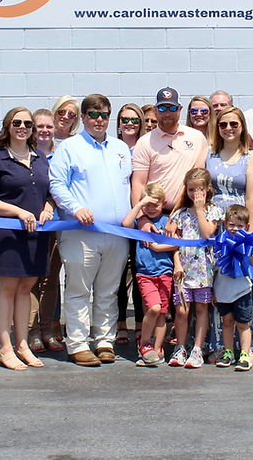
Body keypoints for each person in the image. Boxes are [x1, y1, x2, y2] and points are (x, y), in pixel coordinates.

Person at [49, 94, 132, 367]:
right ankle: (78, 343)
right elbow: (57, 184)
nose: (99, 120)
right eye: (94, 115)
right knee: (78, 290)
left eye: (105, 115)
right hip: (80, 233)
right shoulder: (69, 148)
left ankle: (105, 341)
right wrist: (75, 208)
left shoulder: (120, 148)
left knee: (108, 290)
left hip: (117, 233)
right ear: (83, 117)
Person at [0, 107, 55, 370]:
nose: (22, 127)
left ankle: (22, 345)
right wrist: (18, 212)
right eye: (17, 122)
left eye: (27, 123)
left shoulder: (40, 158)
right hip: (7, 236)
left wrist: (48, 208)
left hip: (36, 236)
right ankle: (5, 347)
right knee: (7, 290)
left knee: (25, 290)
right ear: (8, 126)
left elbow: (48, 192)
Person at [207, 106, 253, 357]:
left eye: (234, 124)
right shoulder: (210, 155)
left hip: (241, 225)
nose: (228, 129)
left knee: (243, 281)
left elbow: (251, 198)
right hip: (217, 226)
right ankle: (220, 345)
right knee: (218, 282)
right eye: (223, 124)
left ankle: (247, 346)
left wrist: (246, 237)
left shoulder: (251, 157)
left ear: (242, 127)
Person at [167, 168, 222, 369]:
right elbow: (175, 242)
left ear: (208, 189)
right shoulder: (180, 214)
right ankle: (180, 346)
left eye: (200, 190)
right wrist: (177, 263)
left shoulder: (213, 211)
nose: (195, 194)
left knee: (201, 308)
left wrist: (199, 208)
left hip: (203, 268)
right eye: (191, 190)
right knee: (182, 310)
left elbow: (208, 233)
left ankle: (198, 348)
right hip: (184, 268)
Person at [131, 87, 209, 214]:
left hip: (188, 212)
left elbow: (202, 179)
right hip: (155, 215)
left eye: (172, 108)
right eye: (162, 108)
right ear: (155, 110)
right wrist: (141, 219)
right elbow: (138, 184)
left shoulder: (197, 138)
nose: (167, 113)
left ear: (180, 109)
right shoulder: (144, 142)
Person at [122, 183, 176, 366]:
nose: (151, 209)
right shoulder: (140, 223)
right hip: (145, 273)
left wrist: (156, 247)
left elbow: (177, 243)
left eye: (155, 205)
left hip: (165, 272)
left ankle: (158, 348)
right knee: (153, 308)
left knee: (162, 312)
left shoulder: (167, 221)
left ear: (164, 203)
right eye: (148, 205)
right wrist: (139, 205)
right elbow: (125, 224)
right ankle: (145, 343)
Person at [27, 108, 64, 354]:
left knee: (50, 280)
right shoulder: (25, 155)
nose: (44, 131)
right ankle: (31, 331)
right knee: (31, 280)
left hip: (56, 224)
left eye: (48, 127)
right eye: (39, 126)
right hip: (29, 225)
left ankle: (48, 329)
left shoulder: (61, 155)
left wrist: (50, 207)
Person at [114, 102, 148, 346]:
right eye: (125, 119)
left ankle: (139, 323)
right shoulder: (111, 147)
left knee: (139, 272)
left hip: (140, 219)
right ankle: (119, 324)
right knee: (116, 275)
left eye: (134, 119)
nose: (129, 123)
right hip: (115, 221)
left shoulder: (145, 147)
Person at [213, 204, 253, 371]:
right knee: (227, 322)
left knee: (243, 323)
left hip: (242, 290)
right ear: (225, 223)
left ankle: (245, 354)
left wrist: (246, 253)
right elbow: (214, 267)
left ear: (246, 227)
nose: (235, 229)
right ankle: (228, 352)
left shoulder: (248, 242)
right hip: (222, 290)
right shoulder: (219, 241)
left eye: (240, 226)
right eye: (231, 225)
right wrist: (213, 290)